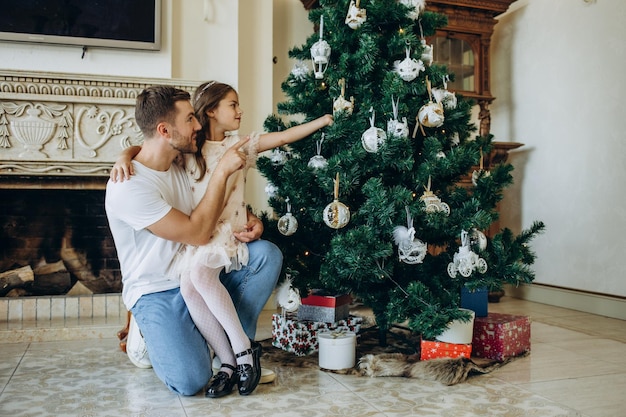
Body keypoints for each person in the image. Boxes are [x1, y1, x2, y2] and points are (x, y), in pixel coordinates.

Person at [110, 81, 333, 398]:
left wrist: (250, 217)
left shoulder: (178, 152)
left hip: (200, 256)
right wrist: (124, 155)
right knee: (190, 381)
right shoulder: (132, 182)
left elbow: (224, 196)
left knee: (265, 254)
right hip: (157, 286)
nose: (197, 124)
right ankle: (188, 343)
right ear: (164, 130)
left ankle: (236, 356)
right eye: (189, 119)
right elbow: (199, 229)